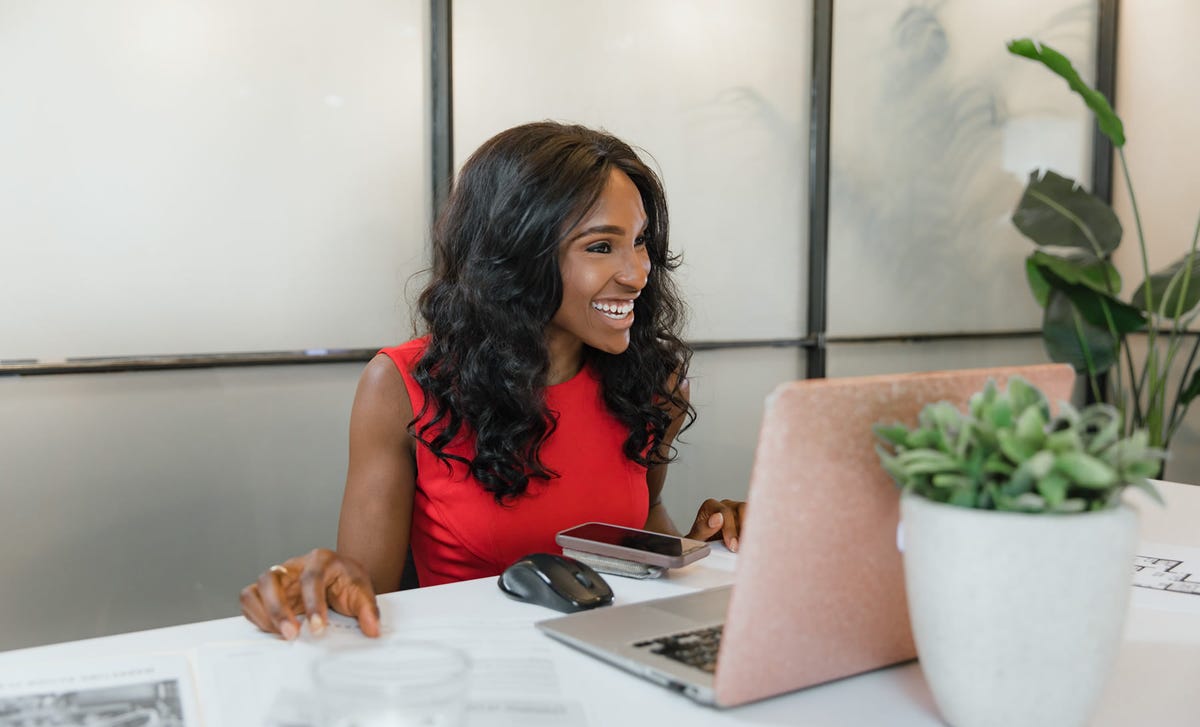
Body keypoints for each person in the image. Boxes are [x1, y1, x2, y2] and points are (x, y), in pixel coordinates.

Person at [240, 121, 747, 640]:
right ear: (517, 256)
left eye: (640, 242)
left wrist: (708, 546)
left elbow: (642, 525)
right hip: (469, 672)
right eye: (600, 247)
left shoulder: (654, 382)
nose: (637, 273)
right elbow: (363, 594)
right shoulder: (401, 386)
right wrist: (324, 581)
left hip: (614, 663)